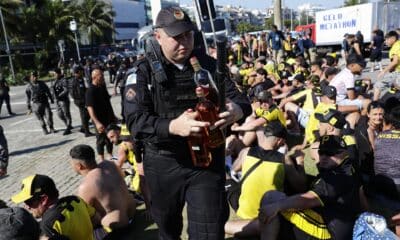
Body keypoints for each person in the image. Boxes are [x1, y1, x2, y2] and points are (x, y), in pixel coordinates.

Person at [124, 7, 251, 239]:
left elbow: (240, 98)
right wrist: (173, 126)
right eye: (177, 37)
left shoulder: (209, 65)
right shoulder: (143, 72)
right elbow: (136, 121)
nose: (184, 42)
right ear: (158, 36)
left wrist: (237, 110)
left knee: (209, 232)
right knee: (168, 230)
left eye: (188, 34)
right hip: (164, 163)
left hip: (206, 161)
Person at [258, 135, 360, 240]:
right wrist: (301, 161)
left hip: (330, 232)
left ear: (343, 153)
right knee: (275, 203)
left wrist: (276, 206)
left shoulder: (337, 176)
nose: (323, 157)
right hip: (340, 222)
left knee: (271, 199)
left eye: (329, 153)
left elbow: (308, 199)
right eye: (321, 152)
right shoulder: (348, 162)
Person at [225, 121, 306, 238]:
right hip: (268, 213)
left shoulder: (245, 152)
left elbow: (234, 169)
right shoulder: (284, 160)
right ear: (280, 141)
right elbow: (301, 186)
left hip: (243, 210)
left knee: (227, 179)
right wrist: (300, 162)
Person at [69, 144, 136, 237]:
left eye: (71, 163)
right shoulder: (110, 164)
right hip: (132, 213)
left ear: (79, 166)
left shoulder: (85, 186)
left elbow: (85, 217)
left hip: (118, 227)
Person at [12, 174, 97, 240]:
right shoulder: (75, 200)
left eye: (28, 202)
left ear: (44, 199)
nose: (26, 207)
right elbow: (96, 218)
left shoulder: (47, 225)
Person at [86, 69, 117, 161]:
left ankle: (110, 155)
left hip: (108, 118)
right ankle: (101, 159)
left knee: (110, 137)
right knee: (100, 140)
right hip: (99, 120)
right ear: (94, 77)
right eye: (101, 76)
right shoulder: (90, 91)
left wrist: (113, 115)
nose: (103, 77)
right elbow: (90, 108)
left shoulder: (102, 87)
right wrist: (97, 122)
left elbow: (108, 102)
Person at [374, 31, 400, 101]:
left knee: (378, 85)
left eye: (386, 39)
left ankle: (374, 105)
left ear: (393, 38)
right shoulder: (398, 44)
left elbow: (395, 61)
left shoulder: (395, 47)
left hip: (398, 73)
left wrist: (383, 71)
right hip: (396, 71)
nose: (385, 42)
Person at [69, 66, 94, 137]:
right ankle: (86, 132)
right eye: (81, 71)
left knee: (87, 114)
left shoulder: (80, 79)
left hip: (83, 99)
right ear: (78, 71)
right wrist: (80, 100)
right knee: (84, 116)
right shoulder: (74, 80)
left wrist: (88, 90)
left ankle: (83, 128)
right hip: (80, 101)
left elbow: (82, 89)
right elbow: (73, 93)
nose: (83, 72)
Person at [52, 68, 72, 135]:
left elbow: (66, 90)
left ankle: (68, 127)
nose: (54, 75)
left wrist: (59, 95)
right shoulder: (54, 81)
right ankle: (67, 124)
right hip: (57, 101)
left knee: (66, 114)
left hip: (63, 100)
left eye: (55, 74)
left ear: (59, 73)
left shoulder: (63, 80)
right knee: (59, 114)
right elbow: (53, 89)